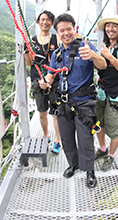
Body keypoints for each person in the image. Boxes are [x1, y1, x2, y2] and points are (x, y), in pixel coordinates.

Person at [38, 13, 107, 188]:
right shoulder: (57, 54)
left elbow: (103, 65)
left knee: (85, 138)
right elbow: (51, 76)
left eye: (69, 29)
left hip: (84, 102)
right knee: (67, 138)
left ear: (74, 29)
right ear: (58, 33)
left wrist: (92, 55)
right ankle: (73, 164)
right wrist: (45, 82)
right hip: (64, 102)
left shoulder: (85, 46)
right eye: (62, 30)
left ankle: (89, 170)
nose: (66, 33)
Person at [94, 14, 118, 171]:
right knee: (99, 124)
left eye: (114, 26)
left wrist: (110, 58)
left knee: (113, 130)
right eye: (108, 26)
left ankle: (110, 156)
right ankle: (102, 149)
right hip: (101, 92)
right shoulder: (107, 46)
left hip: (115, 96)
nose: (110, 29)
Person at [25, 10, 62, 154]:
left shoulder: (57, 39)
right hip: (37, 80)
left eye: (48, 20)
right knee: (42, 112)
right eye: (42, 19)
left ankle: (57, 141)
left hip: (54, 81)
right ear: (38, 22)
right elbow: (30, 63)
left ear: (52, 23)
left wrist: (50, 79)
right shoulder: (32, 40)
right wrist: (27, 50)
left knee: (56, 113)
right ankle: (46, 135)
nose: (45, 22)